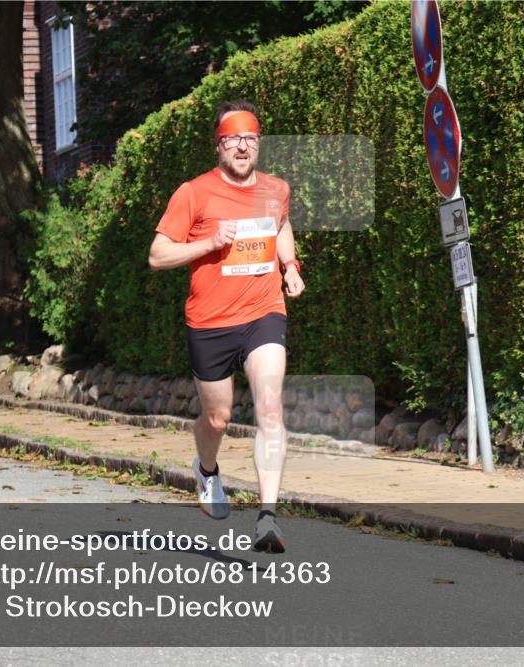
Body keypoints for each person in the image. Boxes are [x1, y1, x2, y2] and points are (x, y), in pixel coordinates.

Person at [148, 100, 305, 553]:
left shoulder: (277, 189)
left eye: (250, 138)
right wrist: (208, 243)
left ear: (258, 145)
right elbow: (158, 256)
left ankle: (267, 516)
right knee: (217, 417)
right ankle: (207, 470)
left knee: (270, 405)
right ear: (219, 146)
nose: (242, 146)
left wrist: (290, 265)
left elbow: (281, 226)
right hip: (210, 323)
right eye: (233, 138)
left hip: (263, 312)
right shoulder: (194, 193)